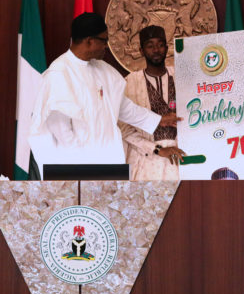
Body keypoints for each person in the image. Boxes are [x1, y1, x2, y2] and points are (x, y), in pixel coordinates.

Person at [28, 13, 179, 177]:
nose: (106, 46)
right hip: (74, 167)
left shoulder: (104, 70)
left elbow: (123, 108)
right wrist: (81, 162)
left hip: (107, 165)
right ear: (89, 41)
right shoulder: (59, 73)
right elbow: (60, 129)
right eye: (104, 40)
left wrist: (158, 120)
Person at [120, 25, 185, 180]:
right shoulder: (130, 82)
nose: (156, 50)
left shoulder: (182, 76)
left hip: (182, 157)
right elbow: (124, 129)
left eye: (160, 45)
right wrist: (157, 149)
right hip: (145, 162)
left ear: (167, 48)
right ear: (141, 51)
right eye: (150, 46)